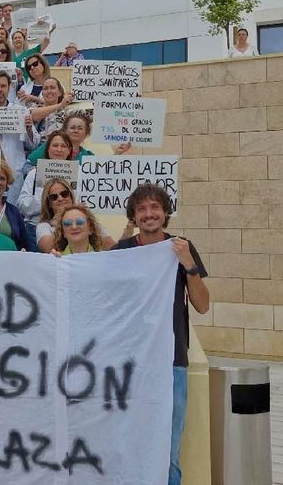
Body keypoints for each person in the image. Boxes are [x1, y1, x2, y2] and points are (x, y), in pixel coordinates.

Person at [111, 183, 210, 485]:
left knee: (168, 448)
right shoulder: (122, 252)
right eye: (141, 209)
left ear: (166, 213)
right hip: (128, 363)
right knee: (127, 442)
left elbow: (203, 306)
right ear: (134, 216)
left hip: (171, 361)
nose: (149, 213)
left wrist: (189, 265)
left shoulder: (181, 247)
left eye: (155, 207)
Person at [0, 70, 40, 202]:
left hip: (14, 171)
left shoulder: (21, 112)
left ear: (9, 88)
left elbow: (33, 145)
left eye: (3, 86)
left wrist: (29, 129)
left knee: (11, 212)